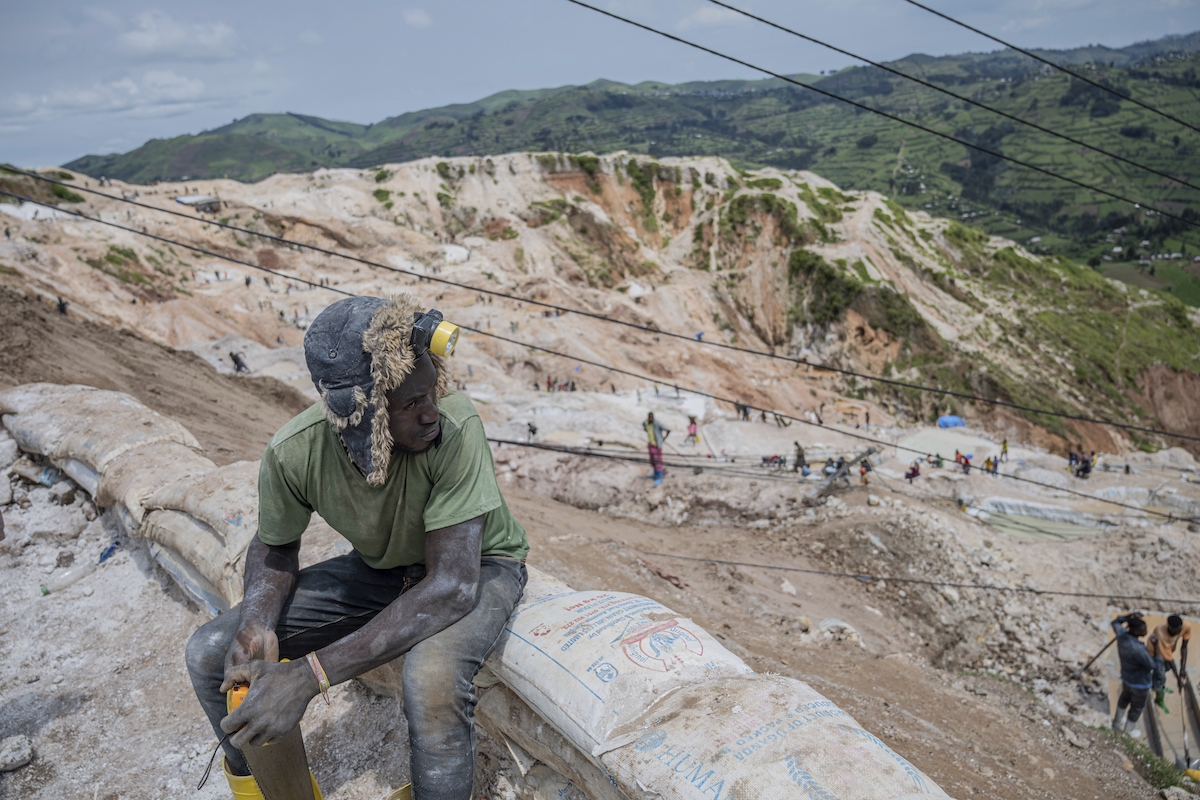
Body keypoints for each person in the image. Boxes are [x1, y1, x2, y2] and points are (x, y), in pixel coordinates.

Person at [185, 294, 529, 800]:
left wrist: (310, 675)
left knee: (430, 681)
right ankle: (273, 793)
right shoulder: (294, 451)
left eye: (431, 392)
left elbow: (452, 588)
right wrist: (257, 620)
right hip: (383, 573)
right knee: (211, 652)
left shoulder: (456, 428)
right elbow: (275, 546)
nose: (432, 412)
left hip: (480, 565)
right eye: (411, 404)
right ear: (359, 414)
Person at [1112, 614, 1154, 737]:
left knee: (1124, 698)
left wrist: (1128, 617)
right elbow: (1152, 665)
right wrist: (1156, 649)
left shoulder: (1121, 635)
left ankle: (1116, 724)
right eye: (1143, 630)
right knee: (1136, 708)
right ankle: (1127, 733)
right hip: (1140, 683)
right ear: (1135, 631)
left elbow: (1115, 622)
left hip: (1126, 678)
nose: (1146, 631)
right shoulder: (1138, 649)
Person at [1148, 615, 1191, 713]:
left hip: (1168, 651)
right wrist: (1178, 679)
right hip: (1155, 652)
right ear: (1169, 627)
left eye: (1179, 631)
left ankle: (1158, 685)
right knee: (1160, 676)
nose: (1177, 633)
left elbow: (1184, 647)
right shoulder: (1161, 633)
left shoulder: (1186, 626)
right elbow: (1171, 660)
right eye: (1175, 631)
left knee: (1166, 669)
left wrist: (1182, 668)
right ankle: (1159, 698)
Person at [643, 412, 670, 487]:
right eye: (650, 418)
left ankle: (659, 477)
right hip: (651, 444)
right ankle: (655, 474)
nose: (651, 419)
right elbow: (644, 426)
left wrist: (662, 439)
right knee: (653, 461)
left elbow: (668, 430)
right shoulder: (647, 423)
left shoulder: (657, 423)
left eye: (652, 418)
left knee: (658, 461)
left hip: (657, 446)